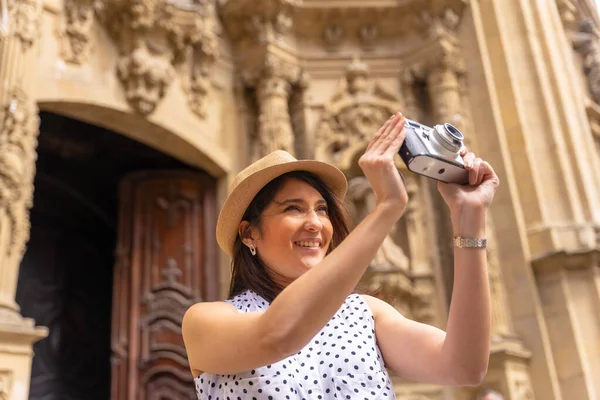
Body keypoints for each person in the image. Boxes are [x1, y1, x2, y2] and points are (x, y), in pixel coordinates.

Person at [182, 112, 500, 399]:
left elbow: (464, 366)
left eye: (322, 210)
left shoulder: (366, 313)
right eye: (292, 208)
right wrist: (387, 207)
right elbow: (277, 336)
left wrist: (469, 217)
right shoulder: (207, 320)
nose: (316, 223)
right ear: (249, 233)